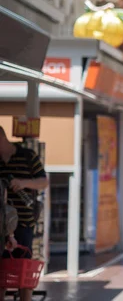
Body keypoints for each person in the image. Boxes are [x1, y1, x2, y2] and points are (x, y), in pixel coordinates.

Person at [0, 127, 48, 301]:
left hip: (23, 221)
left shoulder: (27, 156)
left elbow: (44, 182)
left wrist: (23, 182)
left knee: (23, 269)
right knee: (1, 272)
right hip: (1, 224)